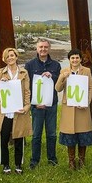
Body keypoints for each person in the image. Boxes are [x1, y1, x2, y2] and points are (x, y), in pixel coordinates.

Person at [0, 48, 32, 174]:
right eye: (7, 56)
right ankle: (5, 164)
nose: (10, 58)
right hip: (4, 111)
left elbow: (27, 91)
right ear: (4, 59)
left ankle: (18, 164)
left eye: (12, 55)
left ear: (16, 56)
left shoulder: (24, 72)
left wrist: (27, 106)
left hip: (19, 110)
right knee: (3, 138)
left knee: (19, 137)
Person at [24, 38, 62, 169]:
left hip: (51, 104)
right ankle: (35, 160)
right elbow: (27, 86)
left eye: (45, 47)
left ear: (49, 48)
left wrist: (52, 75)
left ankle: (52, 159)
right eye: (41, 47)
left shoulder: (56, 65)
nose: (43, 49)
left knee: (51, 133)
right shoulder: (29, 65)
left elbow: (59, 84)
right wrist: (32, 104)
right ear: (37, 49)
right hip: (37, 106)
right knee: (36, 134)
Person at [55, 48, 92, 170]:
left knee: (83, 135)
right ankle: (71, 162)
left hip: (82, 108)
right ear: (69, 60)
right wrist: (62, 77)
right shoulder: (64, 71)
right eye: (72, 58)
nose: (75, 60)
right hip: (69, 108)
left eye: (77, 57)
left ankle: (81, 161)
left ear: (80, 59)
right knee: (70, 136)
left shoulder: (86, 71)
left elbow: (90, 88)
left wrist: (86, 102)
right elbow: (57, 88)